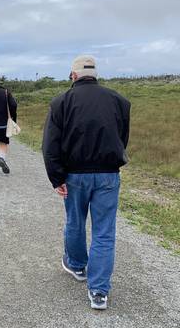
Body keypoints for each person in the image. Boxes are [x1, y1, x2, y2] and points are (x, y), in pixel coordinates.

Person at [42, 55, 130, 311]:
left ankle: (77, 265)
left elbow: (50, 145)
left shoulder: (61, 102)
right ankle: (99, 291)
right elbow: (122, 138)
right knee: (104, 232)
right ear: (95, 74)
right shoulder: (119, 101)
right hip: (107, 174)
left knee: (75, 221)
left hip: (74, 174)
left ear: (73, 75)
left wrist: (56, 177)